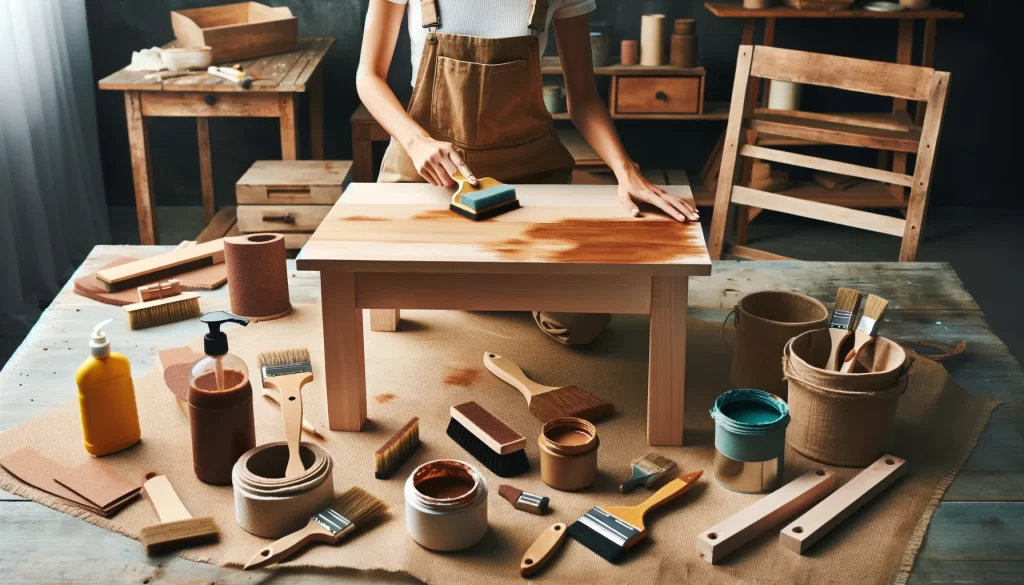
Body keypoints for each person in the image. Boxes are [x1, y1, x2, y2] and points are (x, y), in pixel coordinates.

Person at [356, 0, 699, 344]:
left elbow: (582, 98)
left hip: (527, 181)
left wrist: (626, 169)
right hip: (430, 175)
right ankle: (493, 285)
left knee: (582, 323)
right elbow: (368, 76)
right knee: (384, 288)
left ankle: (500, 283)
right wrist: (417, 143)